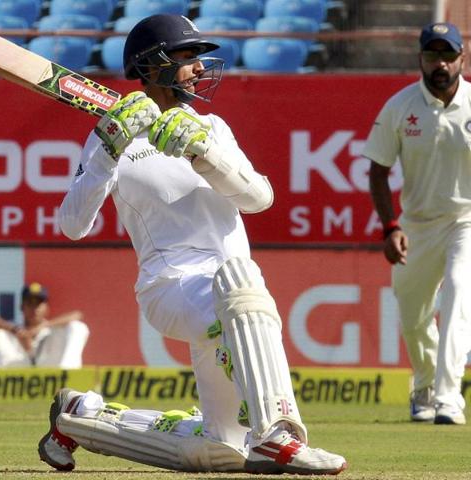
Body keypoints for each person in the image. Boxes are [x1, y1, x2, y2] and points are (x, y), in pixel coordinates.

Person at [37, 14, 347, 475]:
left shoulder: (213, 129)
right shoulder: (113, 138)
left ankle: (80, 416)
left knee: (219, 451)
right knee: (241, 278)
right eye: (187, 58)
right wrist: (105, 152)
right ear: (151, 65)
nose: (200, 69)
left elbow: (259, 198)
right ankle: (278, 434)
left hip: (234, 305)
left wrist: (205, 153)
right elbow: (71, 225)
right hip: (172, 287)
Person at [364, 21, 471, 425]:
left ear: (462, 58)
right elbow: (378, 171)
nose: (440, 64)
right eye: (432, 56)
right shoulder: (400, 106)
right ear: (420, 60)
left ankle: (448, 397)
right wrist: (391, 227)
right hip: (417, 225)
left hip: (466, 220)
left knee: (460, 294)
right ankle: (424, 386)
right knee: (414, 316)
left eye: (448, 55)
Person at [0, 282, 89, 369]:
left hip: (48, 365)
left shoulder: (50, 329)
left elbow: (77, 315)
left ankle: (67, 375)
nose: (34, 309)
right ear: (22, 307)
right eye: (30, 304)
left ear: (46, 307)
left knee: (77, 327)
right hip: (18, 366)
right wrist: (16, 331)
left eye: (38, 304)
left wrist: (43, 326)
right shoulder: (16, 327)